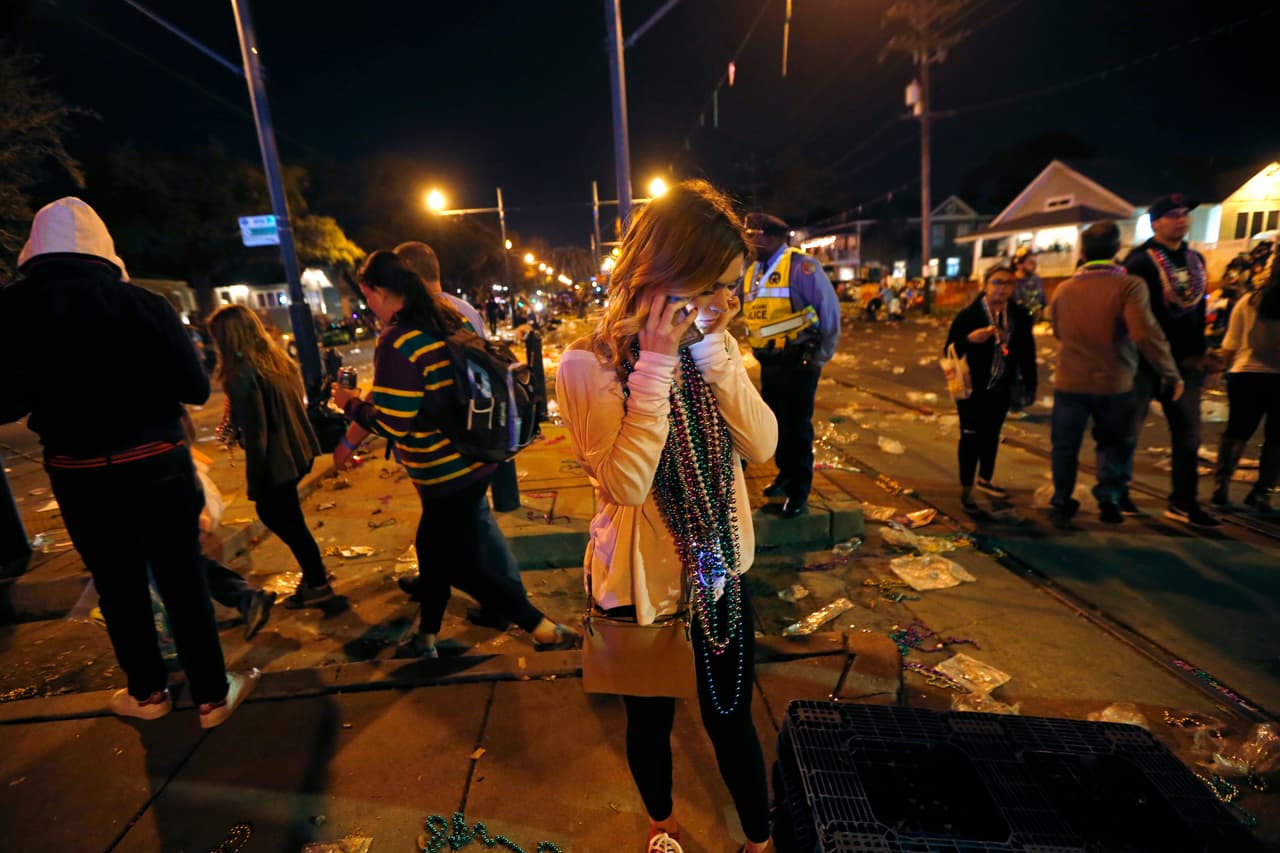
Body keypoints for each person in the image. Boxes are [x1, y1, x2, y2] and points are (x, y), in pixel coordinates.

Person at [558, 180, 777, 853]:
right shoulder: (587, 365)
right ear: (668, 275)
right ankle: (664, 825)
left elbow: (763, 445)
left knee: (730, 716)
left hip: (717, 574)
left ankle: (761, 838)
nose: (727, 303)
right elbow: (625, 483)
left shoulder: (715, 349)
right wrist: (655, 362)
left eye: (735, 287)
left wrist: (714, 350)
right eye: (717, 286)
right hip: (640, 588)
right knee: (649, 724)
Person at [0, 198, 256, 727]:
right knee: (182, 578)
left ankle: (147, 692)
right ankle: (210, 694)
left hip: (77, 473)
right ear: (102, 248)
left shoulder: (12, 310)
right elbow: (193, 385)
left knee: (116, 583)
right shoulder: (144, 305)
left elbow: (5, 401)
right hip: (156, 465)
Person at [330, 251, 577, 659]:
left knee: (461, 566)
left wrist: (349, 403)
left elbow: (394, 424)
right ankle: (426, 639)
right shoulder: (444, 320)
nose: (367, 304)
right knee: (432, 553)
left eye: (366, 295)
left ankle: (544, 627)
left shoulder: (398, 340)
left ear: (373, 291)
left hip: (445, 473)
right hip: (474, 460)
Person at [393, 239, 520, 631]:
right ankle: (439, 581)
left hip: (454, 443)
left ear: (408, 275)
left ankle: (511, 603)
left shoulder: (434, 314)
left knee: (471, 522)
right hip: (469, 435)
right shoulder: (461, 310)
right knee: (456, 524)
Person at [1046, 223, 1182, 529]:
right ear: (1117, 249)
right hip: (1115, 381)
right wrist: (1169, 372)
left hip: (1069, 380)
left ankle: (1061, 501)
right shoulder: (1129, 286)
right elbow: (1145, 334)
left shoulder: (1064, 289)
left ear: (1082, 252)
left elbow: (1057, 331)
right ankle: (1109, 498)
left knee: (1065, 446)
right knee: (1113, 443)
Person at [207, 305, 333, 608]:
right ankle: (317, 574)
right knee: (289, 516)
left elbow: (257, 432)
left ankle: (317, 581)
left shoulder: (241, 373)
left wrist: (256, 480)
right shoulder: (276, 360)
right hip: (300, 450)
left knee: (275, 513)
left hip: (278, 458)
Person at [1122, 194, 1219, 527]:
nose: (1182, 220)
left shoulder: (1196, 261)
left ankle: (1183, 501)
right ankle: (1118, 494)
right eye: (1173, 215)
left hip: (1187, 363)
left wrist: (1205, 353)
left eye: (1185, 215)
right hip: (1145, 363)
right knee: (1128, 432)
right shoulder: (1139, 262)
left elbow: (1199, 311)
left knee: (1189, 435)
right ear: (1155, 223)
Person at [740, 211, 841, 518]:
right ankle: (785, 476)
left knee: (797, 428)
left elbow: (829, 313)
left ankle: (799, 492)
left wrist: (818, 359)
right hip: (770, 362)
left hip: (799, 360)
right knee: (777, 424)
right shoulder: (754, 270)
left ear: (768, 237)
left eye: (752, 234)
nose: (748, 240)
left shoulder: (801, 267)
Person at [944, 264, 1036, 513]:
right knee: (970, 437)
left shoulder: (1019, 315)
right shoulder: (969, 316)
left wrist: (1030, 385)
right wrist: (969, 340)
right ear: (985, 285)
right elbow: (949, 349)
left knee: (992, 435)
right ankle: (966, 490)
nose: (1002, 288)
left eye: (1008, 283)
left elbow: (1028, 352)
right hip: (971, 389)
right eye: (997, 282)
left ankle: (985, 479)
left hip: (1001, 386)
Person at [1211, 263, 1280, 511]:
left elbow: (1230, 343)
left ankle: (1221, 486)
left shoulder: (1250, 300)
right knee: (1276, 439)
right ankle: (1262, 492)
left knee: (1237, 431)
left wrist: (1220, 368)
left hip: (1246, 374)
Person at [1012, 246, 1047, 323]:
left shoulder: (1037, 280)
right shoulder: (1010, 282)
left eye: (1035, 263)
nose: (1035, 266)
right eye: (1031, 263)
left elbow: (1042, 303)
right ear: (1019, 265)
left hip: (1035, 324)